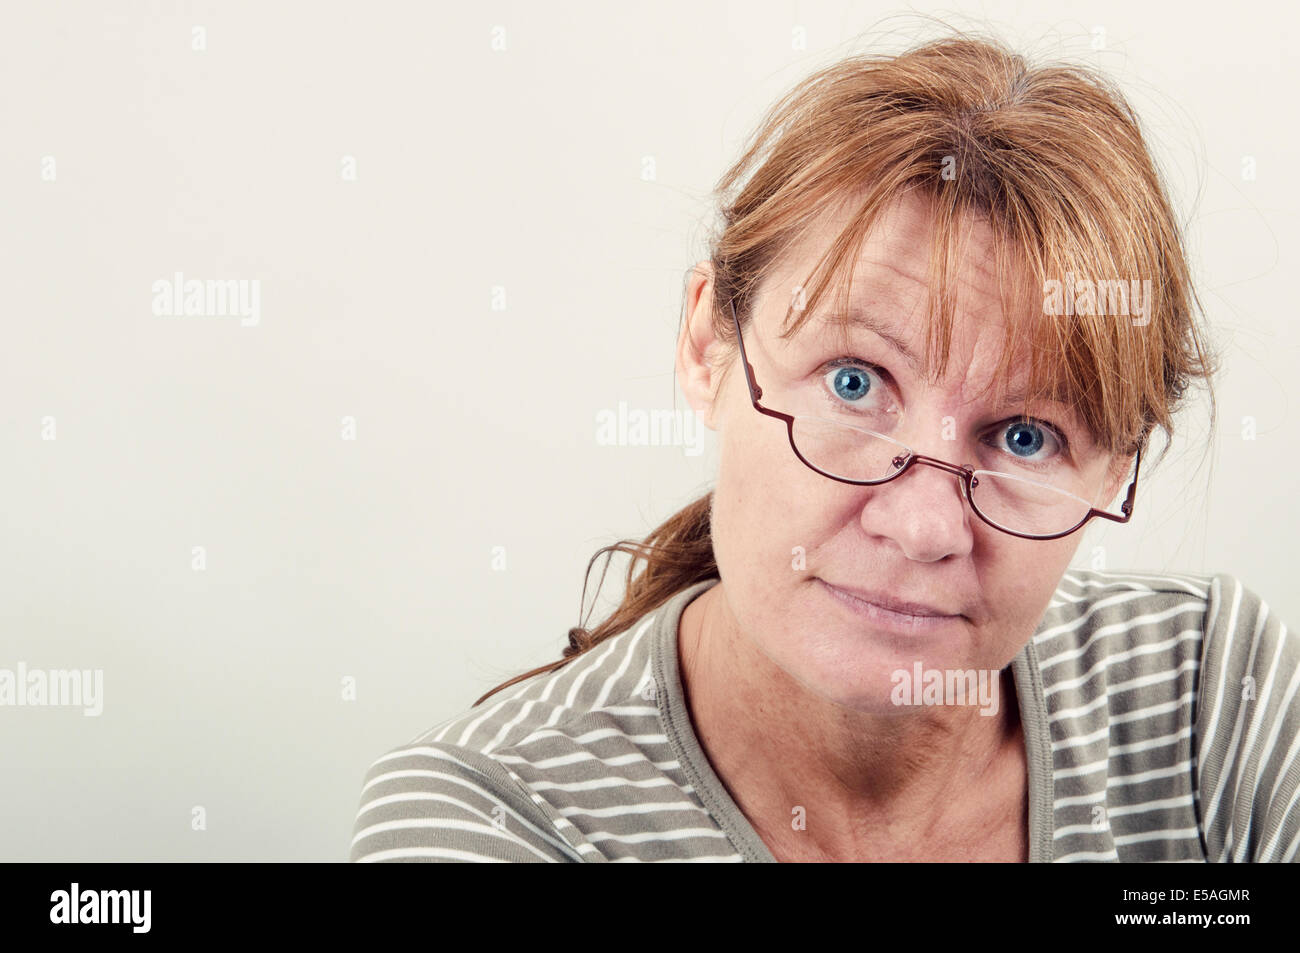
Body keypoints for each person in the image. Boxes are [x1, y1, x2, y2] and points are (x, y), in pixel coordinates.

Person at [348, 33, 1299, 862]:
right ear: (706, 345)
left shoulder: (1215, 699)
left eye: (1024, 436)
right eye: (855, 382)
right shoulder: (492, 817)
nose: (925, 525)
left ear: (1119, 466)